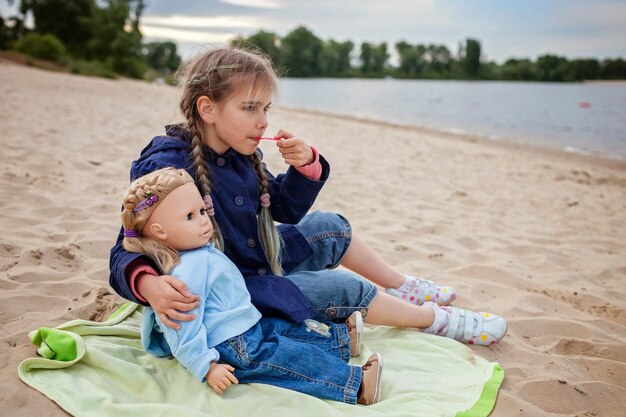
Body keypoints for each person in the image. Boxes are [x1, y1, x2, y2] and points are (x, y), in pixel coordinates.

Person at [109, 45, 507, 347]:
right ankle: (432, 319)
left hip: (262, 258)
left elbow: (281, 207)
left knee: (330, 228)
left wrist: (306, 168)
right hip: (234, 292)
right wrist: (149, 286)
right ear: (208, 108)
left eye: (265, 107)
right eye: (250, 108)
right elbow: (126, 247)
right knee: (343, 289)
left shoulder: (242, 152)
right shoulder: (167, 165)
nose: (263, 121)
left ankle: (403, 285)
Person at [121, 167, 384, 404]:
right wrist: (207, 366)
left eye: (202, 211)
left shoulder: (199, 252)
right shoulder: (186, 273)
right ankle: (355, 384)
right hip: (229, 345)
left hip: (243, 327)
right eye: (190, 216)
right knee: (288, 358)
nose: (203, 220)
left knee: (286, 329)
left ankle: (339, 342)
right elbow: (181, 330)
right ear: (160, 231)